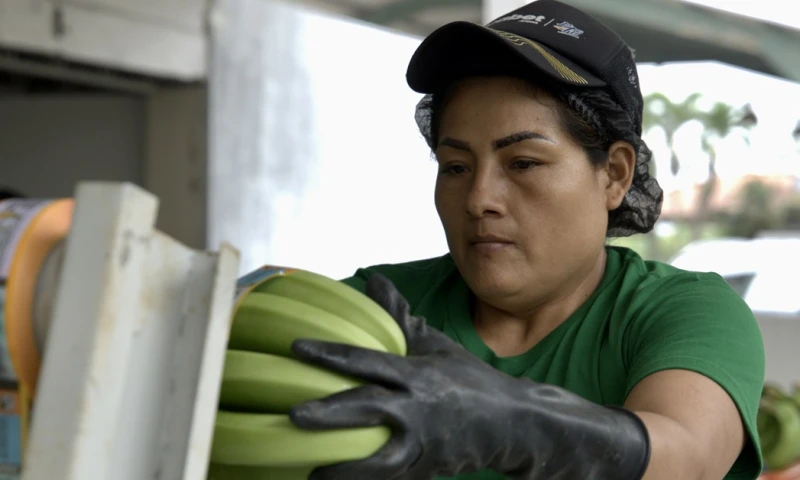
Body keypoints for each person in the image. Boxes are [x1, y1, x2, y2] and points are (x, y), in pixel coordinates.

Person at [287, 1, 766, 478]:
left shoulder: (683, 313)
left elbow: (687, 457)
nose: (478, 199)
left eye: (523, 163)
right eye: (455, 167)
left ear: (614, 174)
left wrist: (513, 425)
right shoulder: (374, 309)